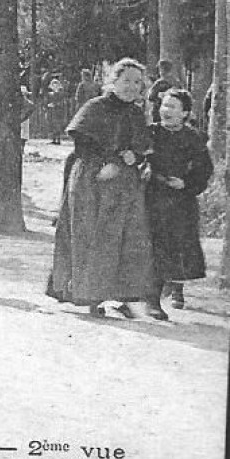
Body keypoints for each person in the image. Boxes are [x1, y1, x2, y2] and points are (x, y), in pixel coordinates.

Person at [45, 58, 157, 318]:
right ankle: (90, 296)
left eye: (137, 82)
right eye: (126, 80)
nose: (131, 87)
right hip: (92, 181)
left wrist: (135, 157)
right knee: (91, 236)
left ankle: (120, 296)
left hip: (123, 186)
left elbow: (142, 144)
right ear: (113, 81)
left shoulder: (136, 113)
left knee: (122, 238)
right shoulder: (95, 107)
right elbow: (81, 140)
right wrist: (108, 161)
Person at [145, 88, 212, 314]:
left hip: (182, 201)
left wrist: (187, 184)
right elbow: (140, 159)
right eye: (164, 105)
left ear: (185, 113)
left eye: (173, 107)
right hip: (153, 197)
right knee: (156, 245)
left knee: (181, 244)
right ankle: (153, 301)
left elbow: (204, 170)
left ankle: (177, 288)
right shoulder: (151, 133)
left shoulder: (193, 138)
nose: (166, 110)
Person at [147, 58, 180, 124]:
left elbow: (150, 97)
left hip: (159, 112)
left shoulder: (159, 83)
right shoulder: (176, 82)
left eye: (160, 69)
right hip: (173, 112)